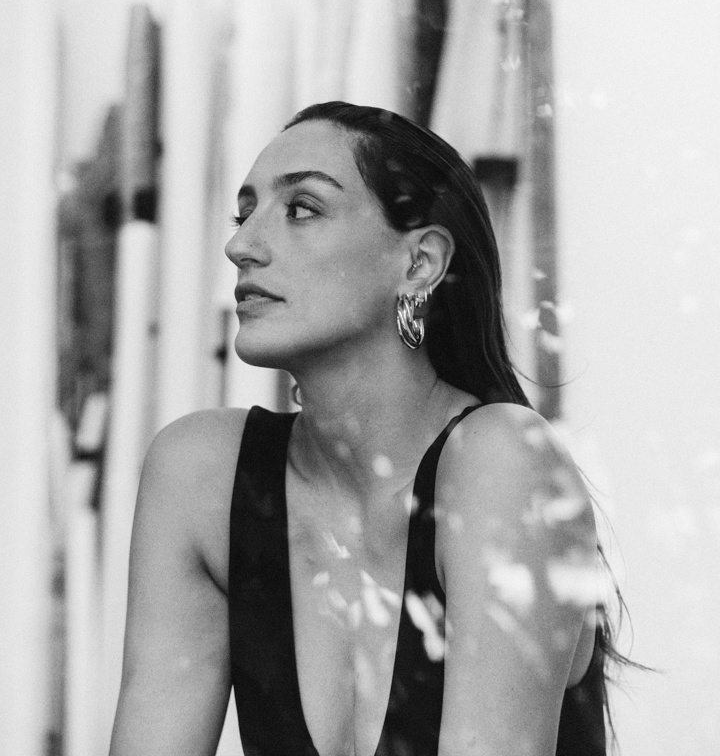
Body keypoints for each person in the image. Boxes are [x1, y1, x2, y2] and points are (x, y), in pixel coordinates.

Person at [109, 101, 612, 756]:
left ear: (419, 263)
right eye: (244, 213)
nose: (240, 246)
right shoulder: (201, 476)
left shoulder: (501, 463)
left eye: (301, 209)